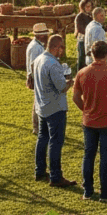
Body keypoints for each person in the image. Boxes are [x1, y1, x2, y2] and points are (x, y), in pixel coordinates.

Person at [72, 40, 107, 201]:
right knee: (105, 157)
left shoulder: (82, 73)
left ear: (92, 54)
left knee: (88, 155)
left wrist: (87, 109)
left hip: (89, 121)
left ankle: (87, 190)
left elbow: (75, 97)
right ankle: (105, 192)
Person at [30, 33, 76, 187]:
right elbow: (62, 87)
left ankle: (40, 171)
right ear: (56, 47)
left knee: (42, 139)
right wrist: (71, 82)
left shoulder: (38, 59)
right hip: (55, 108)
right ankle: (56, 176)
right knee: (55, 142)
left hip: (42, 106)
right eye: (61, 47)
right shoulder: (53, 64)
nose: (62, 51)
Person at [24, 23, 50, 136]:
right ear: (40, 36)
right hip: (36, 77)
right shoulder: (36, 47)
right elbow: (34, 65)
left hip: (36, 76)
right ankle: (36, 127)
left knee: (39, 101)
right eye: (45, 35)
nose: (47, 37)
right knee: (38, 103)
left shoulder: (37, 45)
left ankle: (39, 125)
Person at [74, 0, 94, 70]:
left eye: (90, 6)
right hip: (82, 40)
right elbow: (80, 29)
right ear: (83, 7)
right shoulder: (79, 16)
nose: (89, 8)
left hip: (89, 40)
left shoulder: (90, 16)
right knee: (81, 59)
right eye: (87, 6)